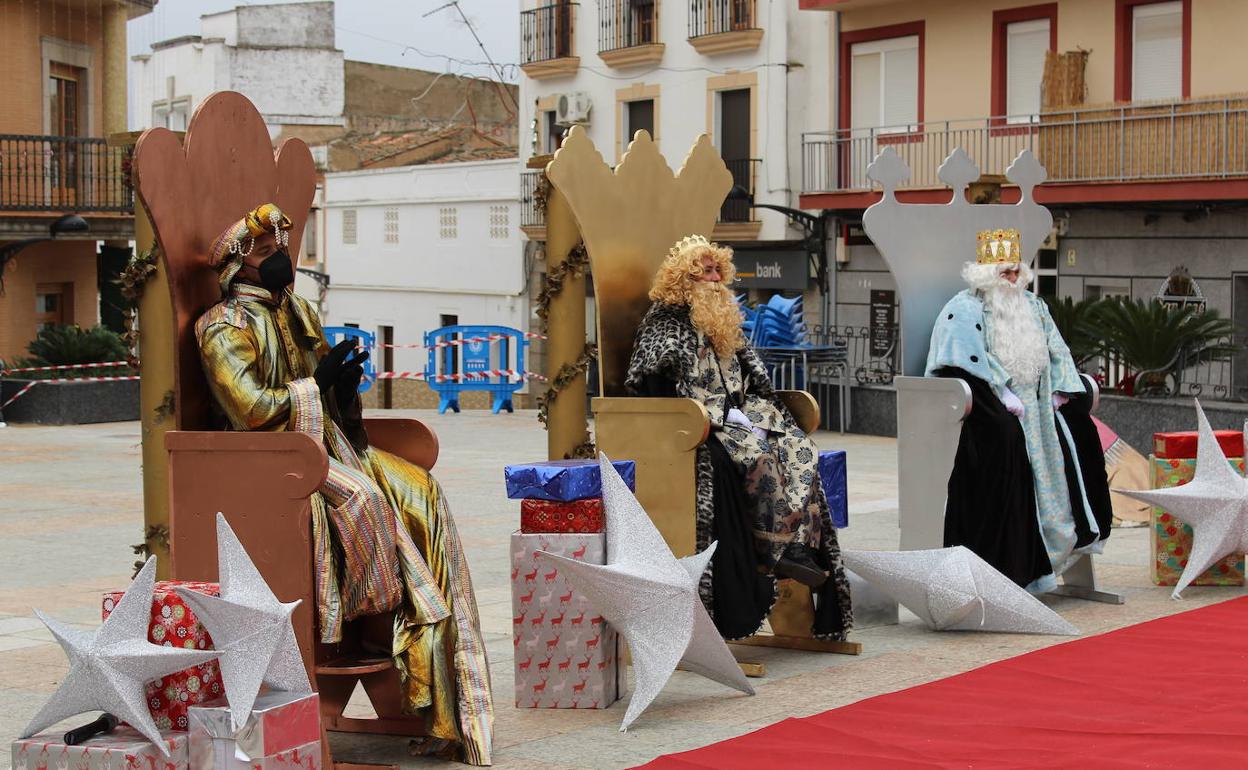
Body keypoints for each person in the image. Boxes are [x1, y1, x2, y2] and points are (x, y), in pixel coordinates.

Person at [197, 204, 491, 765]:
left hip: (332, 443)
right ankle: (362, 616)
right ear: (239, 266)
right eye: (264, 250)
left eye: (281, 245)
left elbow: (328, 395)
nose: (279, 255)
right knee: (364, 498)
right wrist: (315, 386)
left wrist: (342, 388)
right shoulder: (222, 326)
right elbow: (252, 411)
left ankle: (436, 683)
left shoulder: (299, 308)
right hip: (273, 461)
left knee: (422, 494)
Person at [625, 234, 852, 642]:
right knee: (761, 457)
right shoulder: (665, 325)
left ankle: (797, 545)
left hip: (743, 413)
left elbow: (752, 380)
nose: (714, 279)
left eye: (718, 271)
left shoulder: (725, 322)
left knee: (798, 448)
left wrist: (758, 413)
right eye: (704, 272)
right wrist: (709, 417)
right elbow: (650, 384)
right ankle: (777, 551)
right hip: (699, 420)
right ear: (683, 280)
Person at [926, 228, 1112, 592]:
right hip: (1002, 404)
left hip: (1042, 408)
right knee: (1006, 449)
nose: (1011, 279)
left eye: (1015, 272)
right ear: (985, 274)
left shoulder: (1035, 306)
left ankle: (1061, 550)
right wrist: (1001, 391)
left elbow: (1058, 349)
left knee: (1074, 446)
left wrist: (1061, 387)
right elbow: (961, 360)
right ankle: (1021, 566)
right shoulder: (963, 308)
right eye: (1003, 272)